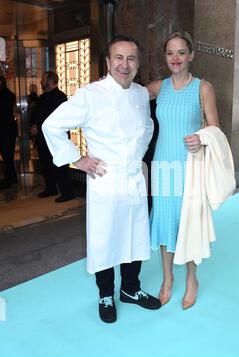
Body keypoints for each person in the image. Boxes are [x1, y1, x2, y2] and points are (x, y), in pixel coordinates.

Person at [42, 35, 161, 323]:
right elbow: (52, 125)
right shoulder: (90, 94)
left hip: (133, 179)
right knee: (104, 240)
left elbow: (147, 126)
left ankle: (131, 289)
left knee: (135, 236)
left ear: (138, 63)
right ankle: (105, 293)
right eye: (118, 58)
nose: (125, 64)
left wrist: (138, 155)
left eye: (131, 58)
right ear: (108, 62)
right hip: (105, 179)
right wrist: (78, 159)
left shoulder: (140, 94)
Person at [146, 31, 220, 310]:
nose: (175, 58)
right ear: (165, 57)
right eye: (169, 53)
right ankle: (167, 280)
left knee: (187, 225)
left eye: (180, 53)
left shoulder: (203, 88)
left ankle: (192, 279)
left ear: (191, 55)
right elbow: (128, 89)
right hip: (163, 166)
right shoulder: (159, 87)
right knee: (165, 222)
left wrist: (201, 138)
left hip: (189, 167)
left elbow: (215, 129)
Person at [30, 71, 75, 202]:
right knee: (46, 163)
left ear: (49, 81)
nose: (41, 82)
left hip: (56, 138)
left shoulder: (60, 97)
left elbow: (52, 116)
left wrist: (37, 125)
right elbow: (36, 113)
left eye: (43, 80)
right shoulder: (42, 97)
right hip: (43, 137)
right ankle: (51, 188)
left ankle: (68, 192)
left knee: (60, 165)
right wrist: (33, 124)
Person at [0, 75, 18, 189]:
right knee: (8, 155)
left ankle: (9, 179)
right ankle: (12, 177)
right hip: (9, 129)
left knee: (6, 155)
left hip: (4, 129)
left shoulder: (4, 96)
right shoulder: (11, 95)